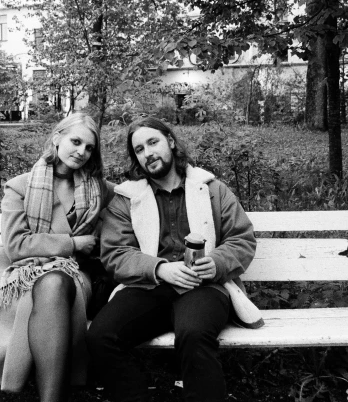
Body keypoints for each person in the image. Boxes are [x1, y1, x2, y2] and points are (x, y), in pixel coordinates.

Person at [0, 113, 114, 402]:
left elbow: (130, 207)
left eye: (89, 147)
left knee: (55, 283)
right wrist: (71, 243)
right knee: (49, 285)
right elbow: (16, 245)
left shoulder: (99, 190)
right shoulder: (20, 186)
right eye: (75, 141)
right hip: (17, 276)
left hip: (71, 278)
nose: (81, 152)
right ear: (57, 138)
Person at [86, 117, 261, 402]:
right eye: (139, 150)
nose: (148, 153)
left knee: (193, 334)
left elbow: (242, 239)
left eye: (153, 142)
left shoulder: (211, 189)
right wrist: (160, 268)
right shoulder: (127, 199)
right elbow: (116, 253)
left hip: (204, 287)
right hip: (149, 286)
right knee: (101, 336)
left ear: (170, 141)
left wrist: (216, 263)